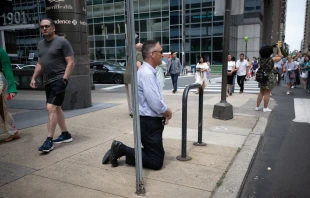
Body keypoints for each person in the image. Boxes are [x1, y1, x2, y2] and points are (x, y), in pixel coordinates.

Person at [102, 40, 172, 170]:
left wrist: (163, 111)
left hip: (149, 122)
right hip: (149, 123)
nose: (162, 54)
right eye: (161, 52)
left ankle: (125, 153)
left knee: (155, 155)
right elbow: (154, 101)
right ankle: (120, 148)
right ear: (152, 54)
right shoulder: (146, 74)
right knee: (156, 162)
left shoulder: (148, 72)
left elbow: (155, 97)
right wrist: (166, 111)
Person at [30, 18, 75, 153]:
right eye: (42, 27)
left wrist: (64, 79)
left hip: (59, 79)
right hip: (47, 81)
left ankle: (49, 140)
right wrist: (33, 77)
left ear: (53, 28)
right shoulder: (40, 44)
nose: (44, 29)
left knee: (50, 107)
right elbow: (40, 63)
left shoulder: (62, 42)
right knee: (57, 108)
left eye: (47, 26)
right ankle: (65, 134)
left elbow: (71, 62)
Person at [255, 43, 282, 112]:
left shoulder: (260, 59)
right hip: (269, 77)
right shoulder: (271, 59)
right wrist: (278, 47)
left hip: (261, 77)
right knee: (267, 93)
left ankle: (257, 107)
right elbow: (280, 56)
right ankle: (265, 108)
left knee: (261, 92)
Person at [0, 48, 20, 142]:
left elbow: (8, 69)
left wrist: (12, 89)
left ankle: (13, 131)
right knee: (2, 108)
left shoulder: (1, 51)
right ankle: (13, 131)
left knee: (2, 108)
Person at [124, 43, 143, 117]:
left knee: (129, 95)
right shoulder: (139, 54)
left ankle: (130, 111)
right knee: (133, 95)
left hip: (126, 76)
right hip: (132, 77)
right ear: (141, 48)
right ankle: (133, 112)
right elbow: (138, 65)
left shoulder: (131, 54)